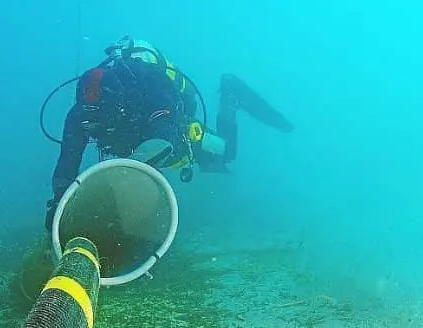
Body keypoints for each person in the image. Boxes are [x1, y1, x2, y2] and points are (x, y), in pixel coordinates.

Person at [44, 35, 294, 231]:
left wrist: (125, 175)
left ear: (117, 102)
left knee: (226, 153)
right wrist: (59, 203)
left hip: (175, 135)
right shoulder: (80, 115)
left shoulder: (151, 88)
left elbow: (165, 135)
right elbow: (68, 159)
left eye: (100, 114)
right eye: (88, 115)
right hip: (138, 149)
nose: (93, 122)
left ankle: (230, 96)